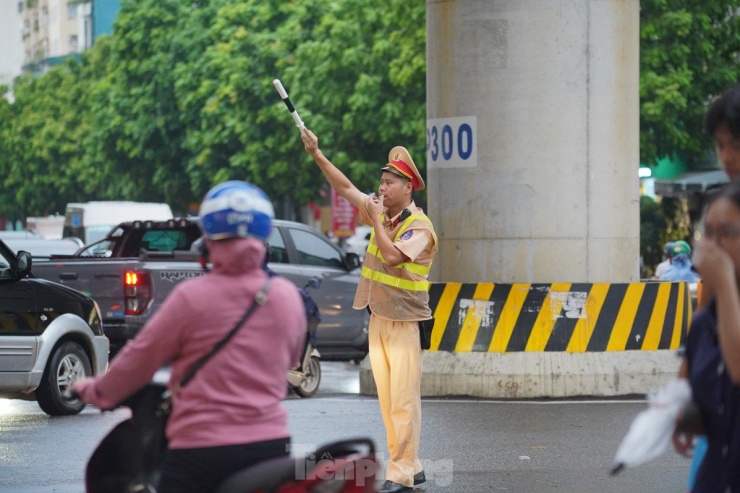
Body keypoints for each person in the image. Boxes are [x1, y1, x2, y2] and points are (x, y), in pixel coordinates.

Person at [73, 181, 306, 493]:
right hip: (271, 449)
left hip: (200, 453)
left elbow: (139, 360)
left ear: (207, 240)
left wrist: (96, 391)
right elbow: (290, 358)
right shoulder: (287, 296)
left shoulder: (192, 297)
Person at [301, 128, 437, 493]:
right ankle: (411, 463)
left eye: (390, 182)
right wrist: (317, 153)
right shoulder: (386, 217)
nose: (382, 187)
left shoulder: (418, 226)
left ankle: (402, 472)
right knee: (390, 400)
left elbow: (393, 258)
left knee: (404, 401)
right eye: (382, 181)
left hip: (407, 323)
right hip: (378, 317)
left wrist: (376, 220)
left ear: (408, 187)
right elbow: (345, 188)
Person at [672, 179, 740, 492]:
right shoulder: (704, 323)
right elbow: (693, 386)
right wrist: (684, 413)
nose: (713, 245)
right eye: (708, 233)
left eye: (727, 233)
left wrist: (725, 284)